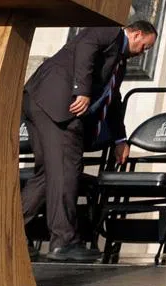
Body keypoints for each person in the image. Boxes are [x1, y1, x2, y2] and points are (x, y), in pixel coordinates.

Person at [22, 20, 158, 261]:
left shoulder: (118, 62)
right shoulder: (110, 32)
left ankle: (9, 233)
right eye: (145, 46)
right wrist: (81, 89)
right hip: (60, 103)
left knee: (46, 174)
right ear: (137, 34)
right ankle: (63, 242)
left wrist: (120, 139)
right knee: (66, 170)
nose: (142, 53)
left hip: (42, 101)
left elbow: (112, 98)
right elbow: (86, 45)